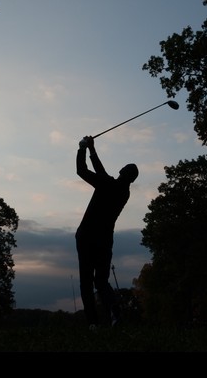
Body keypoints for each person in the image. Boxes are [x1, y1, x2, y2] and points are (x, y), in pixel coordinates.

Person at [75, 135, 138, 330]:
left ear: (121, 171)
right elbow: (100, 173)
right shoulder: (124, 193)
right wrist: (91, 149)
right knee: (101, 281)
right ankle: (115, 310)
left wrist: (84, 148)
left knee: (86, 281)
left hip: (86, 236)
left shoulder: (107, 184)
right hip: (104, 240)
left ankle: (93, 323)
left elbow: (82, 170)